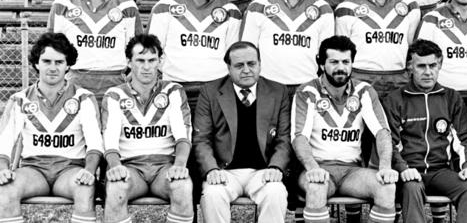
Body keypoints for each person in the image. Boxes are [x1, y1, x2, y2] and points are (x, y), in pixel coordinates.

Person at [291, 35, 398, 223]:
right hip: (319, 168)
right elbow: (299, 137)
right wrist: (312, 168)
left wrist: (385, 167)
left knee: (386, 187)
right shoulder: (307, 92)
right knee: (316, 186)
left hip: (352, 172)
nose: (341, 67)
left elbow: (382, 132)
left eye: (346, 62)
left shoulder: (364, 91)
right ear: (322, 64)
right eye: (333, 62)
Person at [0, 32, 103, 223]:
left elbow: (95, 143)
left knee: (84, 188)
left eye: (59, 62)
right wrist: (2, 168)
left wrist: (89, 170)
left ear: (68, 65)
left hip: (69, 169)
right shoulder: (20, 100)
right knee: (5, 189)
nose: (53, 68)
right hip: (34, 169)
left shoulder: (83, 98)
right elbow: (5, 142)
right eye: (47, 61)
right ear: (37, 63)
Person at [383, 39, 467, 223]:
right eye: (421, 66)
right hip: (409, 172)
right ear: (410, 67)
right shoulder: (395, 99)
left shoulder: (451, 97)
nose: (428, 72)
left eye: (432, 65)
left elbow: (465, 138)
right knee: (412, 187)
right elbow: (389, 142)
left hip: (441, 171)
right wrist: (403, 168)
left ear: (440, 65)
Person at [192, 41, 291, 223]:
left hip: (263, 171)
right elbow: (201, 139)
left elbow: (284, 139)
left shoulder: (278, 91)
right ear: (228, 68)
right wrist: (211, 169)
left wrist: (276, 166)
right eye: (239, 65)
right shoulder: (210, 92)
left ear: (260, 64)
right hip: (224, 171)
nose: (246, 70)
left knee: (275, 192)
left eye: (251, 64)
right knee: (213, 194)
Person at [101, 34, 194, 223]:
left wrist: (180, 165)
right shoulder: (115, 94)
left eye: (152, 60)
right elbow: (109, 139)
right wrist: (115, 166)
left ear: (160, 62)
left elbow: (182, 135)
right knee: (116, 188)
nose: (146, 67)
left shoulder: (173, 90)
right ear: (129, 62)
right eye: (140, 60)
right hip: (131, 167)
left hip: (164, 167)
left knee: (182, 186)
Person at [148, 0, 241, 111]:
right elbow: (151, 54)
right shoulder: (165, 7)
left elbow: (234, 58)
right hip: (174, 90)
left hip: (216, 93)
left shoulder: (231, 12)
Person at [47, 0, 142, 100]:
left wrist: (129, 78)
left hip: (116, 82)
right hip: (75, 82)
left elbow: (138, 51)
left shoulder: (127, 7)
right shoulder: (62, 5)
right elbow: (51, 51)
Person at [240, 0, 334, 97]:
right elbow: (245, 54)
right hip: (268, 89)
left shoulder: (323, 9)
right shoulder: (257, 7)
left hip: (308, 88)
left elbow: (328, 58)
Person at [335, 0, 420, 100]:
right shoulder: (346, 8)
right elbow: (341, 56)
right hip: (360, 80)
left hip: (399, 81)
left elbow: (411, 49)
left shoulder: (410, 6)